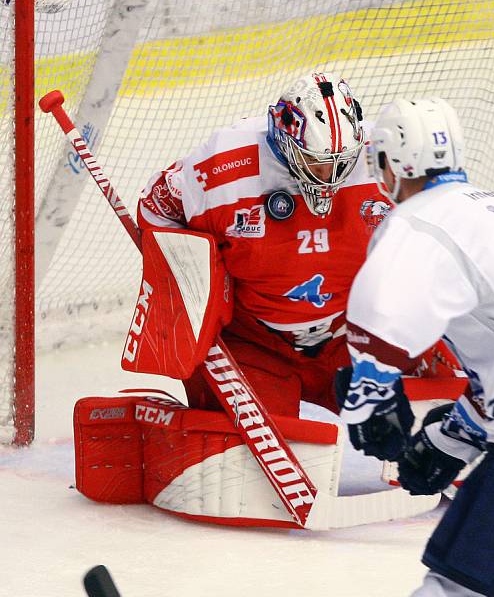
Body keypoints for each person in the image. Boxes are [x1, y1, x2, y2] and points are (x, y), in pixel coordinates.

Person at [336, 97, 494, 597]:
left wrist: (371, 386)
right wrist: (452, 438)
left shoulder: (421, 221)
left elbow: (383, 315)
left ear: (391, 162)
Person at [137, 72, 393, 420]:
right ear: (285, 139)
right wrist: (188, 283)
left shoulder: (384, 156)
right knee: (252, 455)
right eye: (316, 161)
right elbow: (156, 208)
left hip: (350, 336)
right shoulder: (223, 163)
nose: (330, 175)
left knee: (413, 422)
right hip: (254, 343)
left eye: (341, 162)